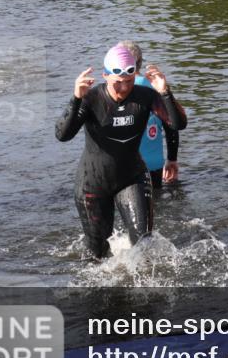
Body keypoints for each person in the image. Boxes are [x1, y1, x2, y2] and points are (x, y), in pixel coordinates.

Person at [55, 45, 187, 259]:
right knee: (96, 253)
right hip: (93, 183)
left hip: (131, 178)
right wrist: (76, 98)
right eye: (118, 82)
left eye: (129, 81)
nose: (124, 88)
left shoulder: (145, 96)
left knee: (144, 243)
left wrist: (165, 92)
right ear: (105, 75)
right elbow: (62, 135)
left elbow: (177, 124)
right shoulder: (91, 98)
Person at [118, 40, 182, 189]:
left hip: (127, 167)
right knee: (154, 206)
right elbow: (171, 125)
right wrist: (172, 159)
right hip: (154, 164)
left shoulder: (117, 91)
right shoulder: (157, 87)